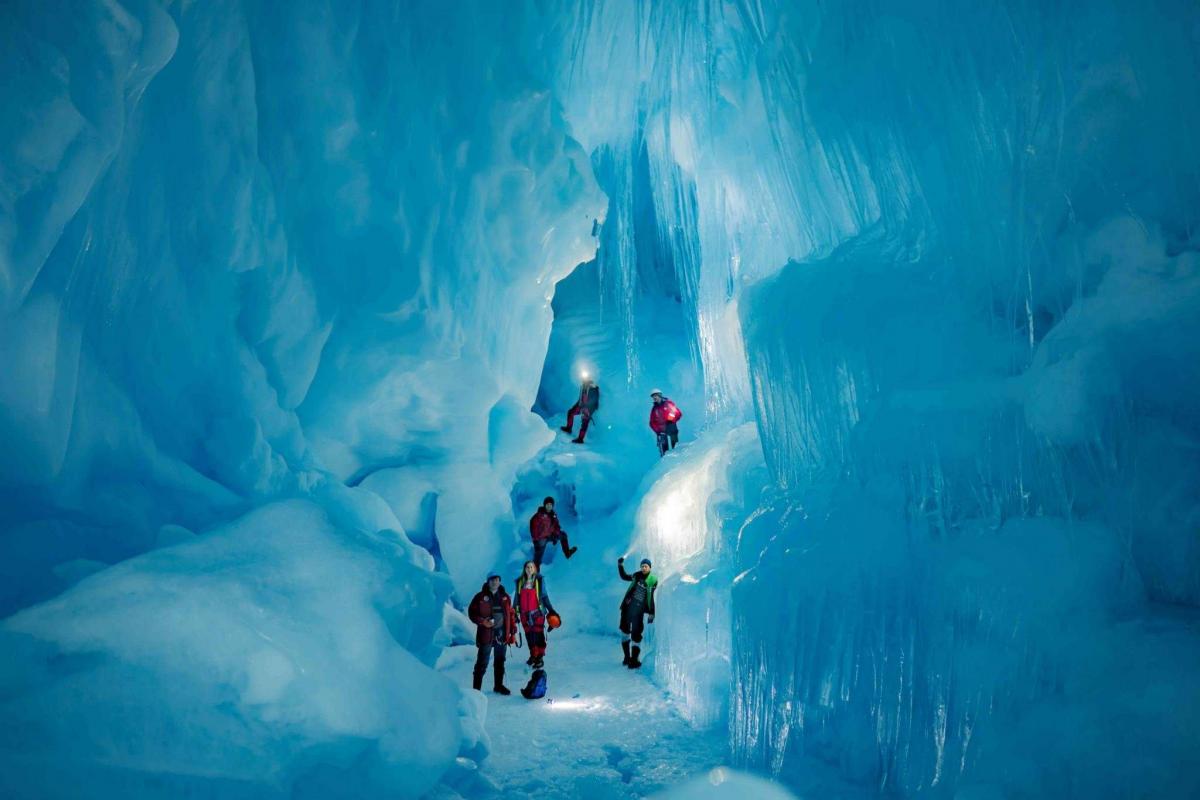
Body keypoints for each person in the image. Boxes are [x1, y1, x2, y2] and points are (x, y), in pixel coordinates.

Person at [468, 573, 516, 695]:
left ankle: (498, 686)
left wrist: (512, 632)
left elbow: (510, 614)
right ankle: (476, 691)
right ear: (488, 582)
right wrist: (483, 622)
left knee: (500, 661)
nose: (495, 582)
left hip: (502, 634)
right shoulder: (480, 597)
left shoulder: (505, 597)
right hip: (486, 634)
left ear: (499, 581)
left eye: (497, 580)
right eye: (492, 580)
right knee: (482, 663)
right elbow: (472, 613)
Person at [514, 561, 559, 669]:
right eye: (527, 567)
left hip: (537, 613)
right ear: (524, 569)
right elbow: (517, 598)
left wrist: (551, 610)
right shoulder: (520, 582)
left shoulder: (539, 581)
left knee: (538, 635)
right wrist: (514, 613)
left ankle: (540, 657)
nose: (529, 569)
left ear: (535, 569)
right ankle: (533, 655)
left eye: (531, 567)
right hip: (524, 614)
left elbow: (544, 596)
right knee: (529, 635)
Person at [617, 557, 657, 668]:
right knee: (625, 632)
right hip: (627, 608)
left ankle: (634, 660)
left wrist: (652, 612)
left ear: (650, 567)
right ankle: (626, 657)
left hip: (638, 612)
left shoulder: (652, 580)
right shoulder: (636, 575)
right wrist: (620, 565)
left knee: (636, 635)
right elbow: (624, 576)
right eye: (642, 566)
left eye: (646, 566)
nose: (644, 568)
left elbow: (651, 597)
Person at [529, 496, 576, 566]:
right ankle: (535, 573)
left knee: (563, 535)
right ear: (544, 505)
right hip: (541, 538)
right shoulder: (539, 515)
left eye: (550, 505)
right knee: (538, 557)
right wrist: (536, 540)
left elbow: (556, 525)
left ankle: (567, 553)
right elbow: (533, 526)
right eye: (547, 505)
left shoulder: (553, 515)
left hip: (550, 535)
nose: (549, 506)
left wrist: (556, 534)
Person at [561, 377, 600, 444]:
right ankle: (569, 428)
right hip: (581, 405)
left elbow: (593, 400)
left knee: (585, 422)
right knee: (570, 412)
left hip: (589, 408)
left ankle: (580, 439)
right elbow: (582, 397)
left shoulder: (593, 389)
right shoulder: (583, 386)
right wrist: (577, 405)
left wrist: (587, 409)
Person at [648, 389, 683, 456]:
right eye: (653, 397)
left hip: (672, 430)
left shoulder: (668, 404)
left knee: (675, 449)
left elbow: (678, 413)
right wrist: (658, 431)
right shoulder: (654, 409)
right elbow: (652, 422)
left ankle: (677, 463)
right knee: (664, 452)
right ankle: (666, 465)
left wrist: (670, 420)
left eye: (655, 396)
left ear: (659, 395)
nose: (654, 398)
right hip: (662, 433)